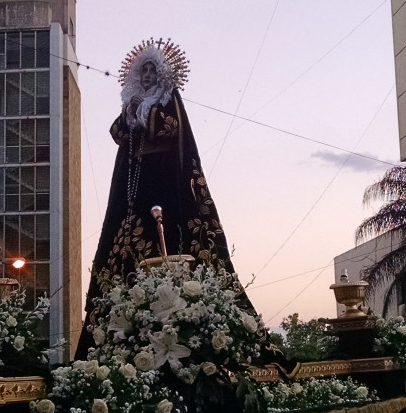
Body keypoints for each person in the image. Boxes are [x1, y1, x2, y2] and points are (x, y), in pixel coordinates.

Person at [74, 38, 278, 360]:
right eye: (143, 72)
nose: (148, 76)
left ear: (164, 74)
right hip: (135, 189)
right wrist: (130, 115)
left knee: (174, 244)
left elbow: (169, 129)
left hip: (167, 183)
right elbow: (117, 134)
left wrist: (145, 115)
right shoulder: (134, 104)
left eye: (153, 71)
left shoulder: (168, 100)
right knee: (125, 249)